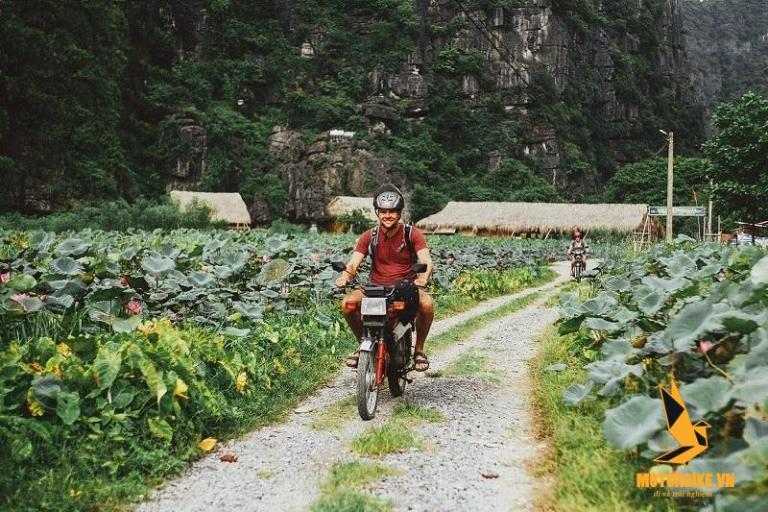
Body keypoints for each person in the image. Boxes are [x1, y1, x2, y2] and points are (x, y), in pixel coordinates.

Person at [335, 185, 434, 372]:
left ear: (399, 213)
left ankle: (419, 350)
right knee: (347, 304)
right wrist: (344, 277)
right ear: (377, 212)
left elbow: (426, 261)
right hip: (375, 288)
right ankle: (363, 343)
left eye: (393, 211)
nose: (388, 215)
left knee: (427, 305)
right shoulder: (369, 236)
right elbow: (353, 263)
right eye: (383, 211)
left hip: (406, 288)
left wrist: (423, 278)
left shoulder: (412, 234)